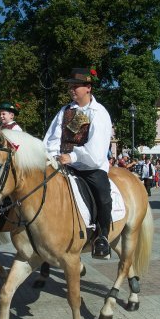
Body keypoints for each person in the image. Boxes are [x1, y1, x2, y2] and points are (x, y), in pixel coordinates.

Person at [44, 67, 113, 259]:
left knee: (103, 194)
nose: (72, 90)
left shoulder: (99, 113)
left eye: (76, 86)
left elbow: (97, 151)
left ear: (88, 88)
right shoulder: (65, 111)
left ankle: (102, 236)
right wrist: (51, 155)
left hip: (89, 166)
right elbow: (52, 137)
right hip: (62, 163)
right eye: (70, 87)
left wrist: (72, 156)